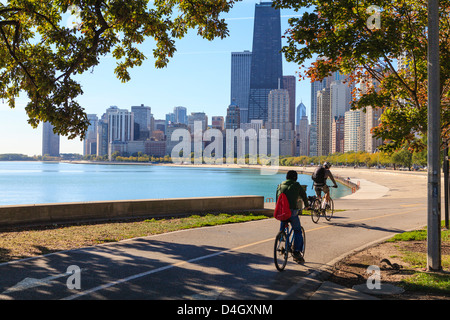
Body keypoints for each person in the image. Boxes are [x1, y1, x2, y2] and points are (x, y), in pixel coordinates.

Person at [276, 170, 309, 263]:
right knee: (298, 231)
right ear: (295, 178)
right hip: (292, 212)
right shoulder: (296, 185)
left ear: (286, 177)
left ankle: (281, 235)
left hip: (281, 212)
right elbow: (304, 195)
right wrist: (307, 205)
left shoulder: (280, 185)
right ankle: (297, 252)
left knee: (284, 223)